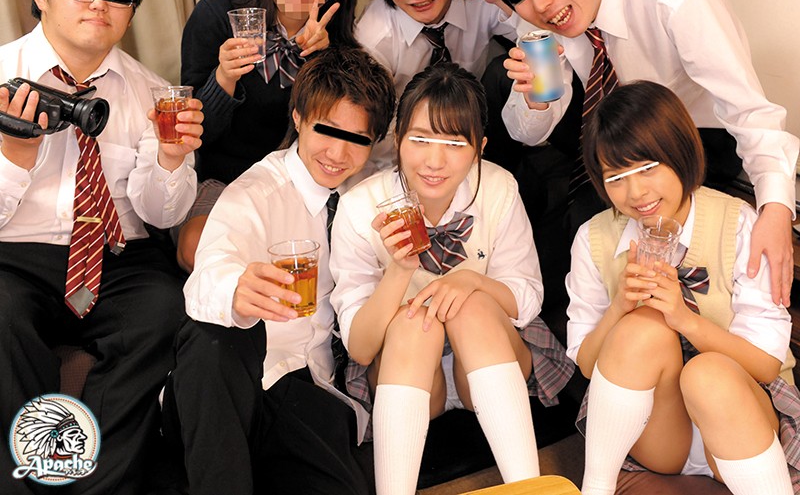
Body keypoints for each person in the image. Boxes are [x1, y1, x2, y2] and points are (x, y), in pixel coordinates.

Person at [481, 0, 799, 306]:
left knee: (608, 230)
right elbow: (529, 132)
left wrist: (776, 208)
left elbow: (748, 111)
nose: (539, 4)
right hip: (614, 132)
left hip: (696, 137)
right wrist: (534, 99)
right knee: (566, 231)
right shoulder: (541, 17)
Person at [0, 0, 202, 495]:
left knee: (164, 309)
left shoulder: (153, 93)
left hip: (117, 259)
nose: (99, 5)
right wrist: (14, 157)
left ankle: (98, 485)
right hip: (15, 256)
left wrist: (170, 159)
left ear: (131, 10)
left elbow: (162, 215)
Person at [329, 64, 574, 495]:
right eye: (420, 139)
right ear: (397, 139)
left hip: (490, 356)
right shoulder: (359, 206)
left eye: (455, 143)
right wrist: (399, 269)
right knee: (415, 321)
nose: (434, 161)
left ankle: (528, 487)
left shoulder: (498, 187)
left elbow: (526, 297)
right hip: (408, 375)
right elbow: (361, 347)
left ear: (479, 148)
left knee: (471, 304)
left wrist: (472, 283)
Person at [161, 46, 396, 495]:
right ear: (299, 117)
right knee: (215, 336)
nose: (338, 152)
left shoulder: (367, 198)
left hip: (308, 390)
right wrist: (236, 290)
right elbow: (209, 274)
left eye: (358, 139)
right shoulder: (257, 192)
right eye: (326, 130)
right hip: (235, 386)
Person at [565, 80, 799, 495]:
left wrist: (683, 318)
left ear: (680, 152)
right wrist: (620, 307)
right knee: (641, 327)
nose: (636, 193)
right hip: (657, 430)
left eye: (647, 168)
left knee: (707, 374)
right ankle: (594, 489)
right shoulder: (593, 238)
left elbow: (766, 366)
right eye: (616, 177)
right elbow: (586, 364)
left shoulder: (737, 223)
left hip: (741, 416)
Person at [176, 0, 358, 272]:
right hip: (224, 177)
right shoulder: (220, 13)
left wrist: (324, 63)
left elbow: (341, 136)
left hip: (300, 183)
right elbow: (194, 136)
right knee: (197, 251)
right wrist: (224, 78)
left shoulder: (339, 39)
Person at [357, 0, 526, 169]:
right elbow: (375, 140)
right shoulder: (373, 38)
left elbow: (540, 37)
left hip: (476, 130)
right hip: (407, 150)